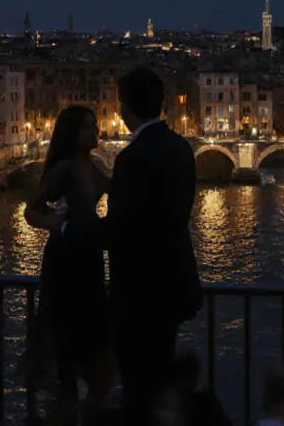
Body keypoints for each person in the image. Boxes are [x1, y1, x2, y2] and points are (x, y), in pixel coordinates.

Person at [57, 67, 201, 425]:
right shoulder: (181, 148)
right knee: (159, 378)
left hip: (139, 294)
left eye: (120, 104)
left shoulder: (133, 158)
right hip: (174, 284)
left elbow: (120, 229)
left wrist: (66, 229)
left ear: (127, 109)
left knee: (139, 389)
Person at [23, 105, 113, 424]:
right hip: (66, 262)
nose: (96, 132)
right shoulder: (64, 169)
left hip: (88, 259)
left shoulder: (94, 167)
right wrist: (58, 226)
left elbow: (112, 190)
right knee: (71, 366)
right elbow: (32, 211)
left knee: (96, 365)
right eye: (88, 127)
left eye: (95, 126)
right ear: (73, 134)